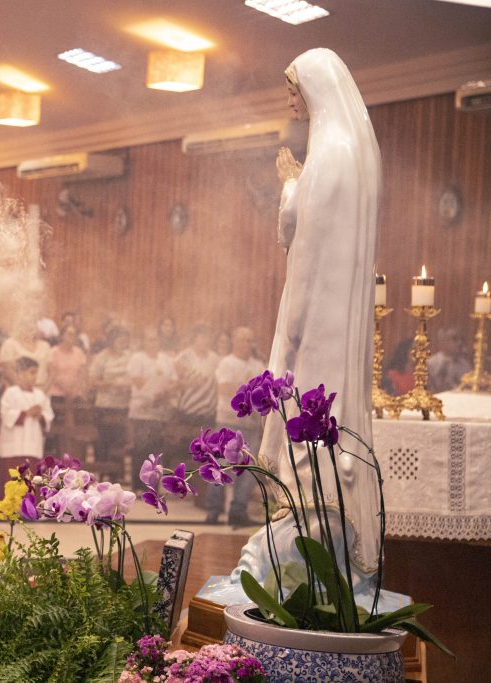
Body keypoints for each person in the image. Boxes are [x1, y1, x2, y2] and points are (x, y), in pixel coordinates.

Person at [259, 47, 383, 573]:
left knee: (307, 435)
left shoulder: (328, 152)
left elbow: (303, 250)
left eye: (293, 89)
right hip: (342, 313)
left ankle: (303, 554)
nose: (290, 99)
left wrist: (291, 331)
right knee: (330, 427)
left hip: (318, 322)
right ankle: (323, 543)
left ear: (312, 89)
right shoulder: (351, 149)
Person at [208, 327, 265, 526]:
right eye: (242, 340)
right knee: (221, 467)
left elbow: (263, 393)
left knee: (248, 470)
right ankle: (213, 511)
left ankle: (238, 510)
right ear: (234, 342)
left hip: (250, 423)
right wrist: (248, 386)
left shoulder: (258, 365)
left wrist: (246, 388)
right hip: (228, 422)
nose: (247, 344)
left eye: (250, 340)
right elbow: (224, 388)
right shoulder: (226, 363)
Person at [128, 325, 176, 485]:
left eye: (155, 340)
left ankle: (153, 483)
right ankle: (138, 484)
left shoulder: (166, 359)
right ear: (144, 342)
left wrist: (164, 392)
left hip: (160, 411)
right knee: (141, 448)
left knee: (156, 450)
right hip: (141, 411)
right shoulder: (137, 358)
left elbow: (173, 381)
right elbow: (137, 381)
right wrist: (155, 392)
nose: (153, 343)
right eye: (149, 340)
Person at [0, 357, 53, 487]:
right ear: (20, 374)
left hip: (33, 444)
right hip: (13, 444)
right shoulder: (11, 393)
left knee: (30, 477)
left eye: (36, 373)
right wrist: (26, 413)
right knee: (13, 477)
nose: (35, 377)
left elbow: (48, 415)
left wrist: (40, 416)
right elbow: (5, 414)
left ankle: (28, 506)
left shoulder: (40, 395)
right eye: (31, 373)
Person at [88, 325, 133, 469]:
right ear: (112, 340)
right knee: (103, 441)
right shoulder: (102, 356)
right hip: (105, 406)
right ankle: (101, 474)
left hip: (123, 406)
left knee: (119, 443)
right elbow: (92, 381)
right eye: (120, 339)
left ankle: (117, 475)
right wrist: (110, 384)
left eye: (125, 339)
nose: (123, 342)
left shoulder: (130, 356)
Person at [0, 323, 51, 389]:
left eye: (33, 323)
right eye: (25, 323)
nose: (30, 327)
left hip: (42, 389)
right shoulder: (10, 344)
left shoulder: (45, 345)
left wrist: (45, 389)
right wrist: (24, 389)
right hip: (17, 390)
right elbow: (7, 370)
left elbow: (51, 370)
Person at [46, 324, 88, 402]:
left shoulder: (79, 352)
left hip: (75, 394)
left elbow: (82, 374)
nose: (72, 336)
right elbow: (52, 374)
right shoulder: (53, 352)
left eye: (75, 334)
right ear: (62, 335)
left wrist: (76, 389)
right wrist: (66, 389)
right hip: (57, 393)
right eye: (69, 334)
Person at [427, 327, 471, 393]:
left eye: (461, 339)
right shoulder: (431, 363)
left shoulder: (465, 365)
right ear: (443, 341)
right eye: (454, 339)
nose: (460, 343)